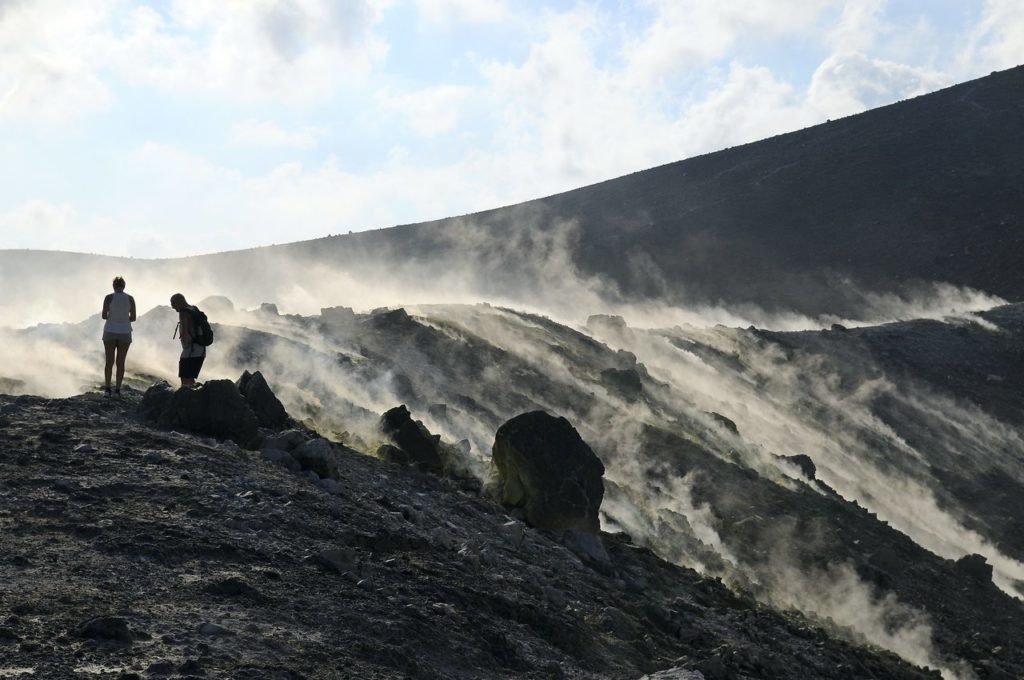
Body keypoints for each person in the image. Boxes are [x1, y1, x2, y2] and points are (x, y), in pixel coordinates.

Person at [101, 276, 137, 397]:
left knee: (109, 361)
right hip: (125, 332)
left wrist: (113, 315)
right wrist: (123, 318)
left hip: (110, 331)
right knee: (120, 362)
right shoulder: (130, 298)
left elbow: (104, 316)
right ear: (124, 286)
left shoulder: (109, 297)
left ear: (113, 286)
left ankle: (107, 389)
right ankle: (117, 390)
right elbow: (133, 318)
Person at [170, 293, 205, 387]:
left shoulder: (184, 312)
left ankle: (186, 400)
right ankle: (193, 399)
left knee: (185, 379)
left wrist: (185, 346)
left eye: (173, 304)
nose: (172, 307)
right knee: (191, 379)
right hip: (201, 350)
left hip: (191, 350)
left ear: (179, 302)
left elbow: (184, 331)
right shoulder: (194, 309)